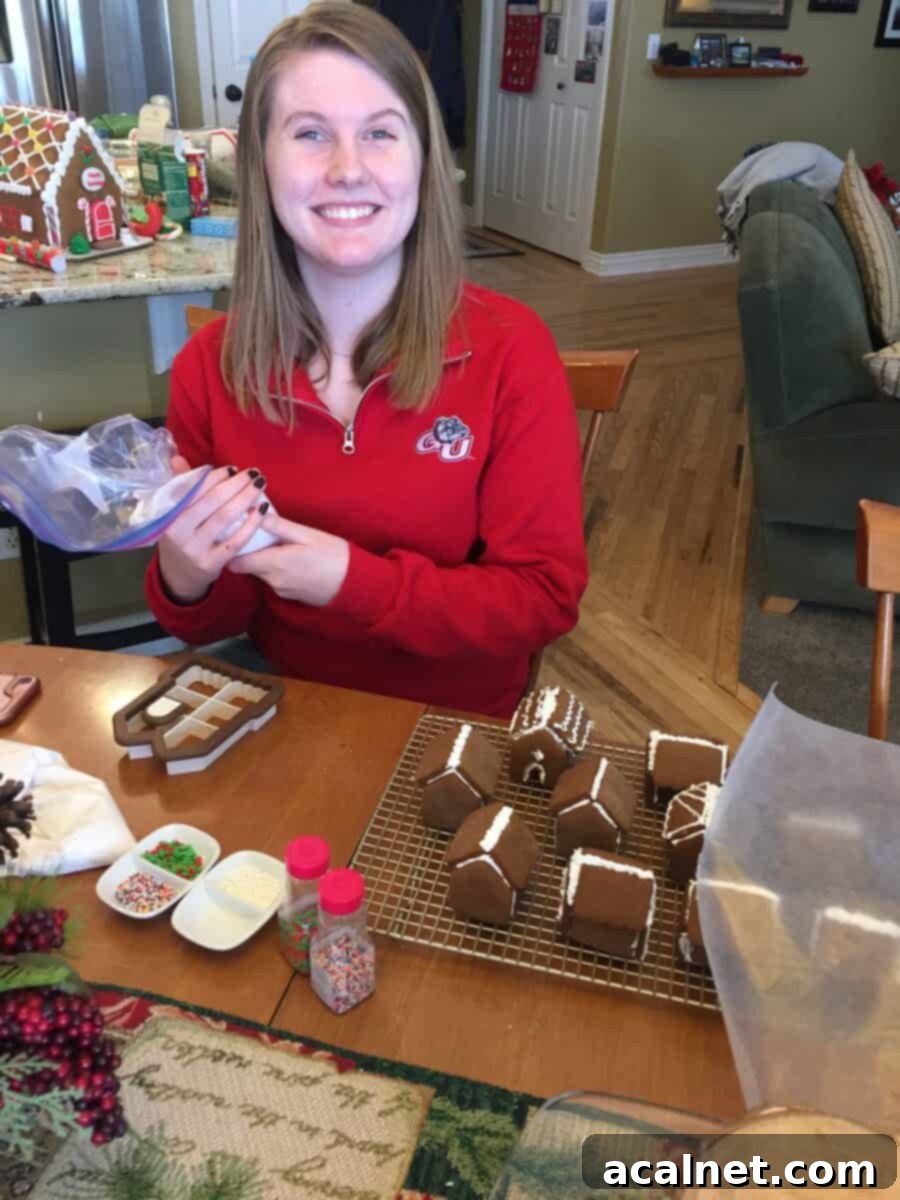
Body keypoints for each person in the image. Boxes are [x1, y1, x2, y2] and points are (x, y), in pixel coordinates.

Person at [145, 3, 587, 719]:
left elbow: (542, 599)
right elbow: (211, 622)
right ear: (262, 162)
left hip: (454, 730)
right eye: (311, 133)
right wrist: (184, 572)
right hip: (282, 712)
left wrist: (354, 582)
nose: (348, 170)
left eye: (380, 133)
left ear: (424, 159)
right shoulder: (207, 367)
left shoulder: (511, 350)